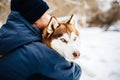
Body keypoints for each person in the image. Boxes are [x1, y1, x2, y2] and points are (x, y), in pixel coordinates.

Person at [0, 0, 82, 80]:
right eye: (46, 14)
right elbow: (72, 74)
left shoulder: (6, 36)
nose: (50, 17)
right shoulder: (40, 54)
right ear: (35, 19)